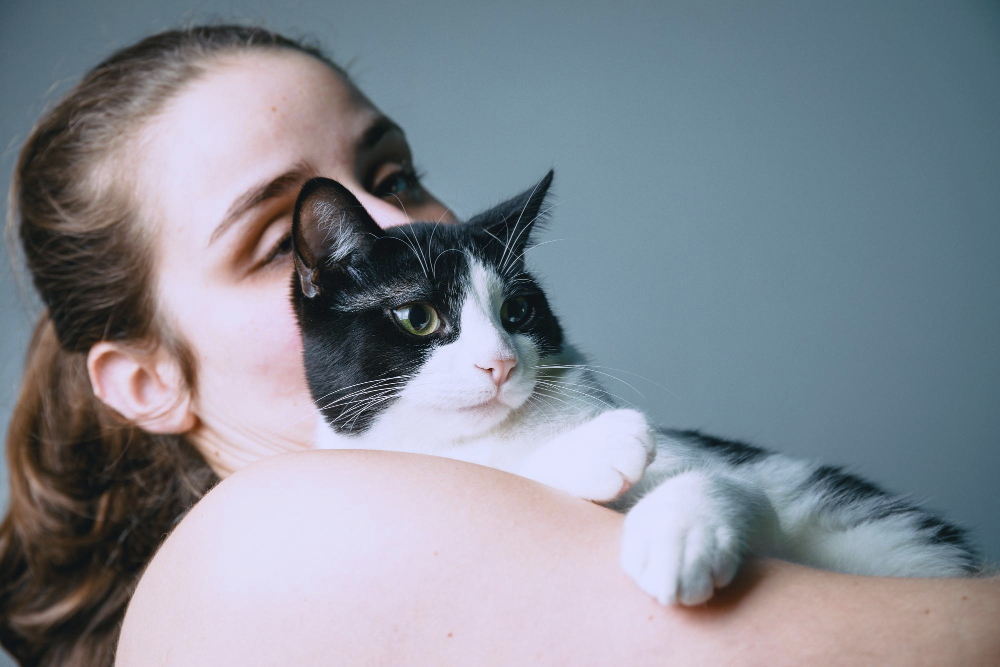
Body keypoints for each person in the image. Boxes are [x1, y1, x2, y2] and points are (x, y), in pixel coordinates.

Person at [0, 24, 996, 667]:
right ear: (145, 380)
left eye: (391, 175)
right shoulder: (270, 540)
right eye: (283, 240)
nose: (391, 238)